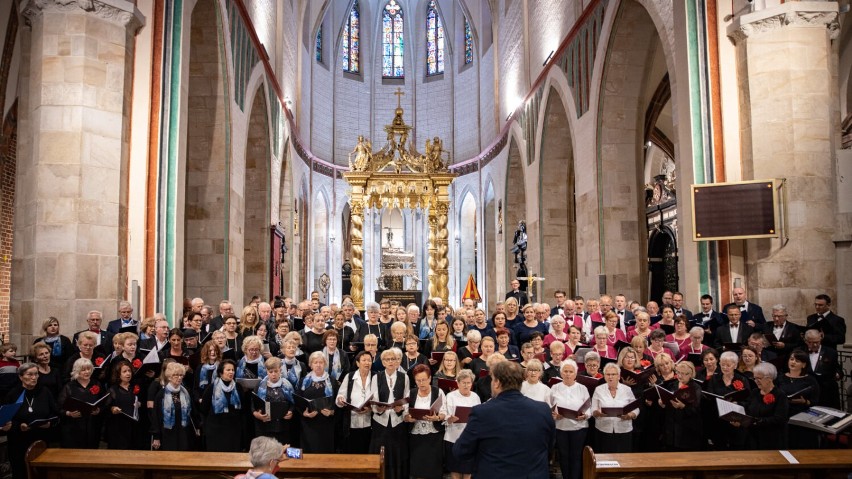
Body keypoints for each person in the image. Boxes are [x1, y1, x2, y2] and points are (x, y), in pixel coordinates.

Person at [453, 360, 554, 478]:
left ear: (496, 383)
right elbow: (549, 447)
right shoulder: (543, 410)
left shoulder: (481, 412)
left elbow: (461, 451)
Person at [2, 363, 60, 479]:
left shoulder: (44, 391)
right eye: (30, 374)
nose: (34, 377)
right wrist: (19, 426)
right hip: (19, 441)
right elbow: (5, 419)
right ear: (21, 377)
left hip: (41, 439)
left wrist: (49, 423)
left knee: (40, 472)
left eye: (36, 374)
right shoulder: (13, 394)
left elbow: (55, 413)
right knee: (21, 471)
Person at [369, 348, 410, 479]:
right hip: (381, 421)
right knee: (382, 453)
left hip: (398, 422)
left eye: (393, 359)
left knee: (397, 452)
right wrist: (378, 408)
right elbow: (373, 398)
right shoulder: (377, 377)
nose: (391, 361)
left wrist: (402, 408)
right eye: (387, 359)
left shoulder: (405, 377)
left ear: (398, 362)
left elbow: (407, 398)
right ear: (383, 362)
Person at [404, 364, 447, 479]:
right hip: (416, 436)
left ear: (430, 378)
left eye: (424, 380)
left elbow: (444, 413)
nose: (421, 383)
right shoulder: (411, 393)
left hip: (434, 436)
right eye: (418, 380)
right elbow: (405, 415)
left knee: (433, 469)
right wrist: (408, 418)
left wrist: (436, 418)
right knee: (418, 469)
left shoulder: (438, 392)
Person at [551, 360, 590, 479]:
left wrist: (585, 415)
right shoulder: (555, 387)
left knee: (576, 455)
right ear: (561, 373)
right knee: (563, 455)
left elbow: (589, 407)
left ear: (575, 373)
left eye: (571, 372)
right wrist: (554, 414)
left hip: (579, 427)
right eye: (565, 371)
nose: (568, 374)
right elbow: (549, 407)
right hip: (560, 426)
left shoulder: (582, 388)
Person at [777, 349, 820, 449]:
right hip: (784, 416)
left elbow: (815, 401)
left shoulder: (810, 380)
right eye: (791, 359)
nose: (793, 362)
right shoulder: (780, 378)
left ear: (804, 365)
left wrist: (804, 401)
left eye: (797, 361)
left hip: (802, 417)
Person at [58, 357, 105, 449]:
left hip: (92, 425)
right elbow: (59, 407)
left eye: (89, 369)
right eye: (83, 370)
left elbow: (104, 403)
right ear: (77, 371)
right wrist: (68, 413)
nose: (87, 372)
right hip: (74, 425)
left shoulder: (97, 384)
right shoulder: (69, 386)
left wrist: (99, 410)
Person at [591, 363, 638, 453]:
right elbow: (593, 409)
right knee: (605, 459)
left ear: (619, 376)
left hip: (624, 430)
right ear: (604, 376)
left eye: (613, 374)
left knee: (623, 460)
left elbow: (636, 408)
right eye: (608, 374)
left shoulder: (627, 389)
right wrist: (598, 413)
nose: (610, 377)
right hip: (604, 430)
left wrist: (629, 415)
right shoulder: (598, 389)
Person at [740, 362, 788, 450]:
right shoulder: (755, 392)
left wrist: (757, 421)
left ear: (769, 379)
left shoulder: (780, 395)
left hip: (771, 439)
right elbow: (747, 408)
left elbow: (780, 418)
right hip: (753, 438)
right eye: (755, 378)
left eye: (759, 378)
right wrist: (738, 419)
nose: (756, 381)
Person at [297, 351, 338, 453]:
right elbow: (298, 400)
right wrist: (304, 413)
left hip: (326, 423)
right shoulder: (303, 381)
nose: (318, 365)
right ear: (310, 365)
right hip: (309, 423)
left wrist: (332, 411)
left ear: (325, 364)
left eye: (321, 362)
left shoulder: (332, 381)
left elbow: (338, 401)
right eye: (315, 362)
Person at [151, 361, 197, 451]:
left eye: (181, 375)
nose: (179, 378)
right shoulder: (161, 394)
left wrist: (198, 426)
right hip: (168, 432)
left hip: (184, 431)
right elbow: (156, 416)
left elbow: (193, 411)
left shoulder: (185, 392)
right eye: (176, 375)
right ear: (169, 377)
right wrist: (156, 436)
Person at [201, 359, 244, 452]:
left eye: (232, 370)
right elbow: (204, 408)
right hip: (215, 429)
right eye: (228, 370)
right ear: (221, 373)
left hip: (233, 429)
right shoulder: (212, 387)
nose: (231, 372)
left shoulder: (238, 387)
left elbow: (243, 409)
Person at [444, 369, 480, 479]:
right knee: (455, 470)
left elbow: (478, 417)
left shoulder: (475, 397)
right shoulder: (450, 396)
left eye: (468, 383)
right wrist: (450, 419)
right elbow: (444, 415)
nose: (466, 385)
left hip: (470, 439)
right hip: (453, 437)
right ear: (458, 383)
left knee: (468, 471)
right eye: (463, 383)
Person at [659, 361, 702, 451]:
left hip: (686, 429)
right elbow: (668, 401)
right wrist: (663, 404)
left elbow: (696, 409)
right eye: (678, 372)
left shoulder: (695, 387)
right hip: (671, 428)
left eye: (683, 373)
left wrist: (683, 406)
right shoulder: (672, 385)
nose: (680, 376)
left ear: (690, 374)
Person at [336, 351, 374, 453]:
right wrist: (340, 399)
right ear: (357, 363)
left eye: (369, 360)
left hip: (370, 423)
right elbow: (340, 395)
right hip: (352, 423)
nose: (367, 363)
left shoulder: (376, 377)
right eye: (364, 360)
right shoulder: (349, 376)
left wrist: (370, 408)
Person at [253, 357, 295, 445]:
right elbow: (253, 404)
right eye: (270, 372)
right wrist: (256, 414)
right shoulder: (260, 386)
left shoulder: (287, 385)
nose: (273, 374)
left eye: (276, 371)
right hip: (265, 426)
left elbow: (293, 403)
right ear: (266, 372)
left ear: (280, 371)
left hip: (283, 426)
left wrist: (291, 411)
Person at [106, 359, 140, 449]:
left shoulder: (135, 387)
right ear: (118, 374)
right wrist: (113, 409)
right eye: (124, 371)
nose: (128, 373)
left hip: (133, 426)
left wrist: (139, 404)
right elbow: (107, 407)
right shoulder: (113, 389)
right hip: (118, 427)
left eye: (129, 371)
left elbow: (143, 403)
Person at [803, 329, 841, 409]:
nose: (815, 345)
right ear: (806, 341)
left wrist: (838, 374)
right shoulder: (800, 351)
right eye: (811, 342)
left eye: (817, 342)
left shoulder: (831, 352)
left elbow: (837, 368)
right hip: (808, 392)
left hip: (827, 392)